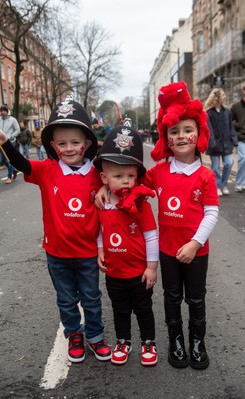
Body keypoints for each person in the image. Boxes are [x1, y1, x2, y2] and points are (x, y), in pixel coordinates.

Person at [95, 82, 219, 370]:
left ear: (199, 133)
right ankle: (175, 341)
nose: (181, 136)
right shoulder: (159, 171)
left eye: (188, 129)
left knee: (196, 298)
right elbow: (126, 182)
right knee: (172, 298)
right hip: (167, 251)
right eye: (173, 132)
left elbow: (211, 214)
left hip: (196, 252)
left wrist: (195, 243)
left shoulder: (206, 176)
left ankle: (197, 341)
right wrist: (102, 190)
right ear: (166, 138)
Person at [0, 96, 111, 364]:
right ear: (53, 145)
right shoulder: (48, 170)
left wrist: (107, 186)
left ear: (87, 144)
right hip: (57, 253)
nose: (70, 148)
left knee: (92, 298)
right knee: (66, 299)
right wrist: (5, 143)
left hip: (86, 254)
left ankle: (95, 335)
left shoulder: (97, 174)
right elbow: (24, 165)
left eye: (75, 142)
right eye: (62, 143)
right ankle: (74, 333)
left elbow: (122, 176)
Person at [93, 120, 159, 366]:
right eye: (118, 176)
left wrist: (151, 267)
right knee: (120, 311)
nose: (125, 181)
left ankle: (148, 343)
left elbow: (151, 236)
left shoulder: (141, 205)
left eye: (131, 176)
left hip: (138, 273)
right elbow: (101, 229)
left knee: (143, 309)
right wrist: (100, 248)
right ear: (104, 177)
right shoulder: (102, 202)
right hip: (115, 273)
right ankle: (123, 341)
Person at [204, 88, 238, 196]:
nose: (225, 96)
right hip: (214, 145)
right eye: (223, 95)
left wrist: (234, 140)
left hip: (226, 143)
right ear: (217, 97)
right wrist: (211, 142)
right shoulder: (209, 113)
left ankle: (223, 185)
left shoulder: (227, 111)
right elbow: (208, 129)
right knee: (215, 168)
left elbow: (231, 127)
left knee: (229, 163)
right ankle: (217, 187)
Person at [0, 104, 20, 183]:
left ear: (7, 111)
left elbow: (18, 130)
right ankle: (14, 169)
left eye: (4, 110)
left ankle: (10, 177)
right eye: (1, 111)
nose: (2, 112)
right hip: (1, 143)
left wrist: (11, 136)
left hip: (10, 142)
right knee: (2, 160)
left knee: (9, 159)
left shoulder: (13, 119)